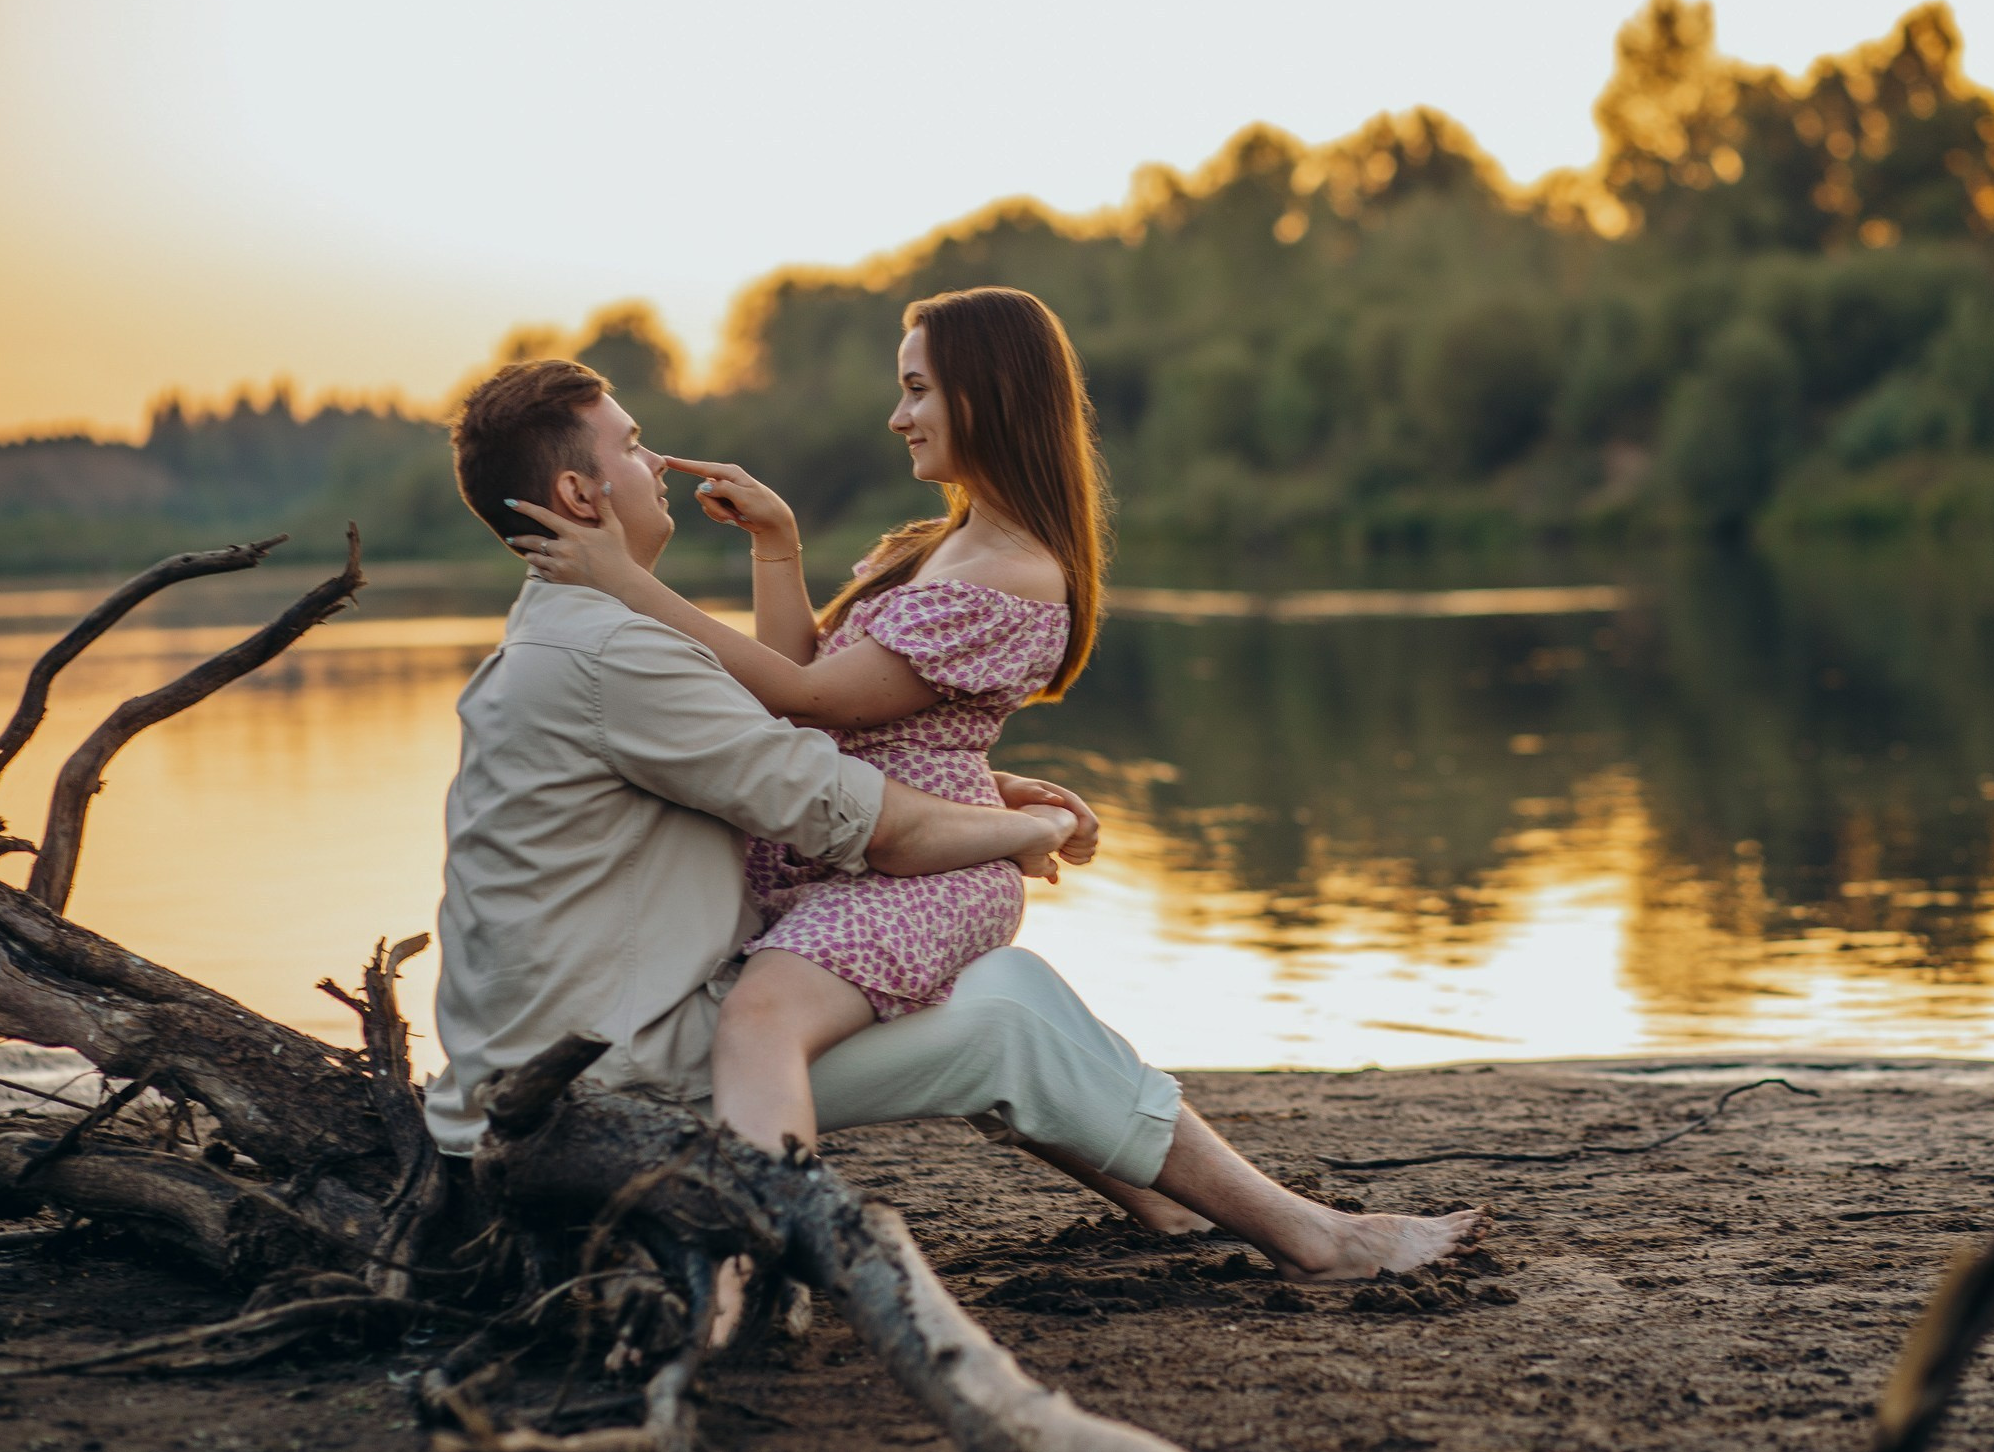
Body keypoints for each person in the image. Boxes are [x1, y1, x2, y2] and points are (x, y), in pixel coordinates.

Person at [442, 348, 1480, 1283]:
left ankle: (1190, 1204)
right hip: (613, 1071)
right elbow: (859, 806)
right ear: (578, 493)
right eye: (633, 446)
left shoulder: (578, 631)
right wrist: (1023, 830)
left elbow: (788, 753)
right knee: (1007, 1017)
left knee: (1004, 993)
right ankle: (1302, 1234)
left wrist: (975, 785)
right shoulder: (618, 649)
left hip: (584, 1045)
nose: (658, 460)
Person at [508, 288, 1098, 1163]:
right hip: (856, 846)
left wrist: (628, 583)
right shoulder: (929, 548)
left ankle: (773, 1218)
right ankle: (1164, 1200)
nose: (899, 416)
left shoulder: (1014, 574)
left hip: (923, 863)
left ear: (993, 393)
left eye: (918, 390)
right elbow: (807, 686)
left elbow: (813, 701)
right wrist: (775, 543)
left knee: (762, 1014)